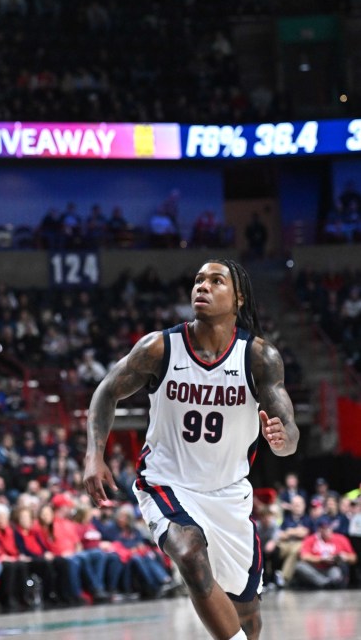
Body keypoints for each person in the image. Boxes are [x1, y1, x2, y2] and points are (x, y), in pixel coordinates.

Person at [84, 259, 299, 640]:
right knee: (188, 552)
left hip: (229, 493)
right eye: (199, 279)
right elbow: (106, 391)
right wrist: (93, 455)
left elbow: (290, 438)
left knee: (248, 618)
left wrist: (283, 439)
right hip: (168, 482)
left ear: (238, 299)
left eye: (216, 281)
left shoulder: (259, 357)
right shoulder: (159, 347)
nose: (203, 286)